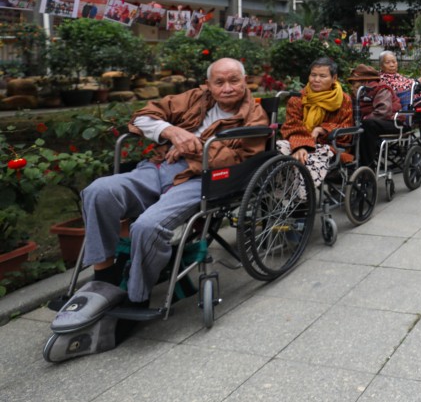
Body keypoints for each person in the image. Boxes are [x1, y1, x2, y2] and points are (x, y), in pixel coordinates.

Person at [54, 58, 267, 361]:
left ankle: (136, 298)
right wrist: (170, 132)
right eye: (219, 82)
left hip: (202, 179)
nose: (227, 88)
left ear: (246, 81)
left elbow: (240, 158)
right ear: (208, 85)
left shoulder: (254, 114)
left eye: (234, 80)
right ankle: (107, 277)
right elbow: (142, 117)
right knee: (98, 192)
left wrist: (193, 144)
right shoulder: (194, 98)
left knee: (147, 226)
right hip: (159, 165)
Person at [278, 57, 355, 185]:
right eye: (313, 75)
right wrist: (301, 145)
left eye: (322, 76)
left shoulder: (343, 100)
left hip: (330, 146)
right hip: (298, 141)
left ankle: (303, 198)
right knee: (278, 151)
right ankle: (279, 199)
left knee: (308, 162)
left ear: (334, 78)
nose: (316, 80)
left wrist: (322, 129)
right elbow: (292, 125)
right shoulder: (298, 98)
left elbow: (346, 128)